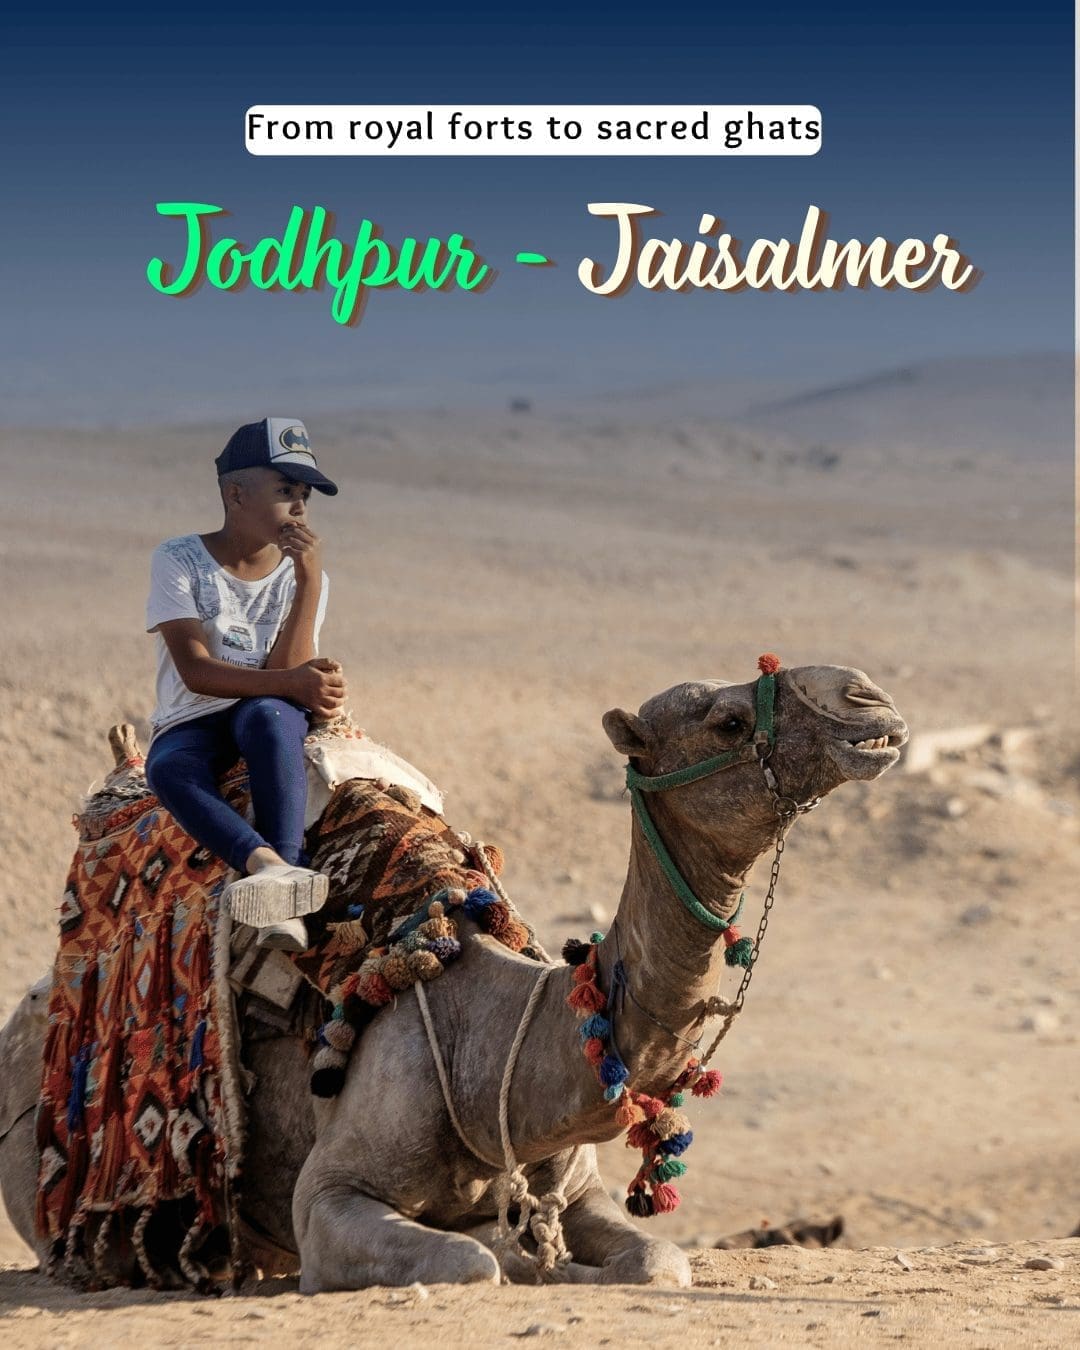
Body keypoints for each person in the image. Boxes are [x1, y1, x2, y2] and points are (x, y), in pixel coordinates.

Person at [144, 417, 347, 952]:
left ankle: (287, 874)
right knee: (167, 767)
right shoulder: (179, 559)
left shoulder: (307, 575)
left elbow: (286, 677)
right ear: (235, 494)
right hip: (193, 714)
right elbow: (196, 671)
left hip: (264, 709)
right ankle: (271, 867)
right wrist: (294, 682)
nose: (299, 507)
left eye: (305, 495)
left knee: (270, 718)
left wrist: (307, 581)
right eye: (285, 491)